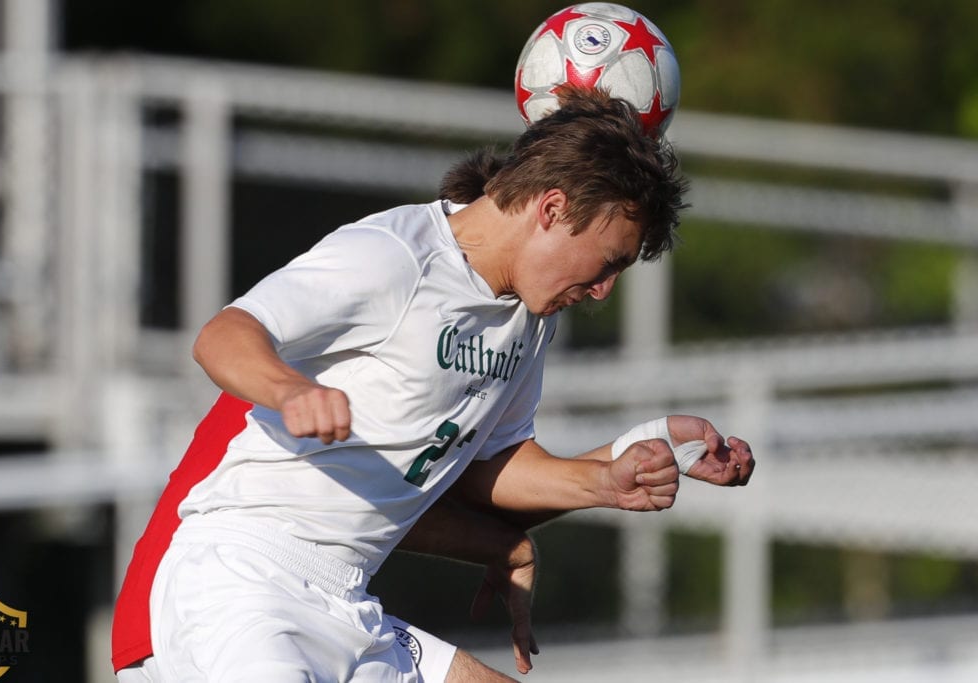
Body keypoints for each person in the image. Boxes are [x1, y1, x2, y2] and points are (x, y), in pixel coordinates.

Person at [111, 85, 754, 682]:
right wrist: (288, 390)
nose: (603, 289)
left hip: (344, 597)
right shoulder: (395, 257)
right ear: (552, 209)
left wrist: (612, 474)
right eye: (607, 263)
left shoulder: (530, 319)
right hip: (244, 580)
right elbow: (222, 335)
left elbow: (485, 469)